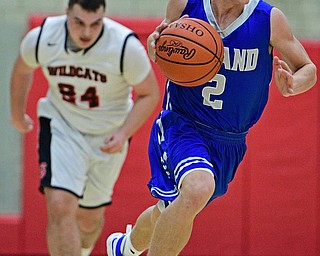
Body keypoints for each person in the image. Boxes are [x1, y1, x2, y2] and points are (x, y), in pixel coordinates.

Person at [106, 0, 317, 255]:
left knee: (170, 208)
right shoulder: (185, 5)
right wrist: (155, 45)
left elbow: (309, 68)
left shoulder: (269, 19)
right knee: (197, 188)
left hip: (229, 141)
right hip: (183, 124)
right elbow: (162, 42)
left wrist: (294, 83)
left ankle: (125, 248)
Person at [10, 0, 160, 255]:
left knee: (89, 220)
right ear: (67, 13)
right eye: (79, 22)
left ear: (103, 17)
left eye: (95, 24)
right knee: (59, 204)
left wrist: (124, 133)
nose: (87, 32)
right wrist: (16, 113)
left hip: (107, 134)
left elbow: (150, 94)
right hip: (62, 125)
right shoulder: (44, 37)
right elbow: (23, 69)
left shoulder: (124, 46)